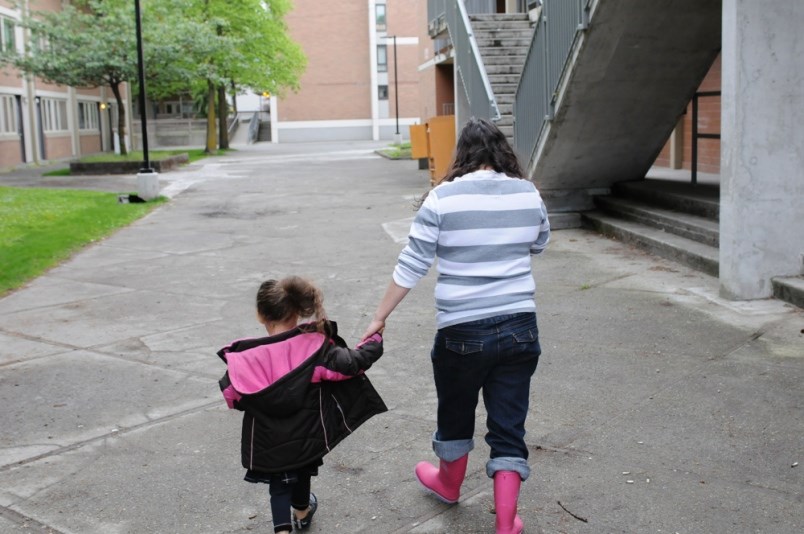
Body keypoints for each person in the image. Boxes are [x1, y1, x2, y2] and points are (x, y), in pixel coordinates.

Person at [362, 117, 550, 534]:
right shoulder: (528, 193)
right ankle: (505, 524)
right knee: (509, 424)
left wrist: (379, 317)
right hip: (521, 325)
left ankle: (448, 483)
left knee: (455, 410)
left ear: (461, 154)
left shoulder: (441, 198)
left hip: (461, 330)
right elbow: (539, 242)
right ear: (503, 151)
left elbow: (413, 263)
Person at [219, 276, 386, 534]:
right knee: (301, 472)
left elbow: (232, 396)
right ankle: (302, 512)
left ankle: (283, 529)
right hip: (305, 435)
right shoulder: (314, 348)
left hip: (267, 441)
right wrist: (373, 339)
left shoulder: (244, 358)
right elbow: (353, 363)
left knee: (279, 485)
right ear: (298, 311)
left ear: (260, 315)